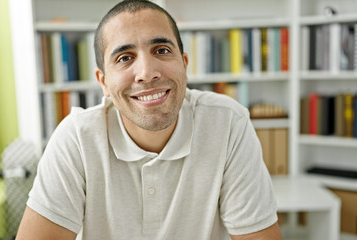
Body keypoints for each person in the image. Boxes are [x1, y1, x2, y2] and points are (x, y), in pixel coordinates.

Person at [16, 0, 283, 239]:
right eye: (125, 58)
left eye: (162, 50)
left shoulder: (228, 123)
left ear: (185, 65)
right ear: (104, 83)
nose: (147, 72)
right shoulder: (76, 138)